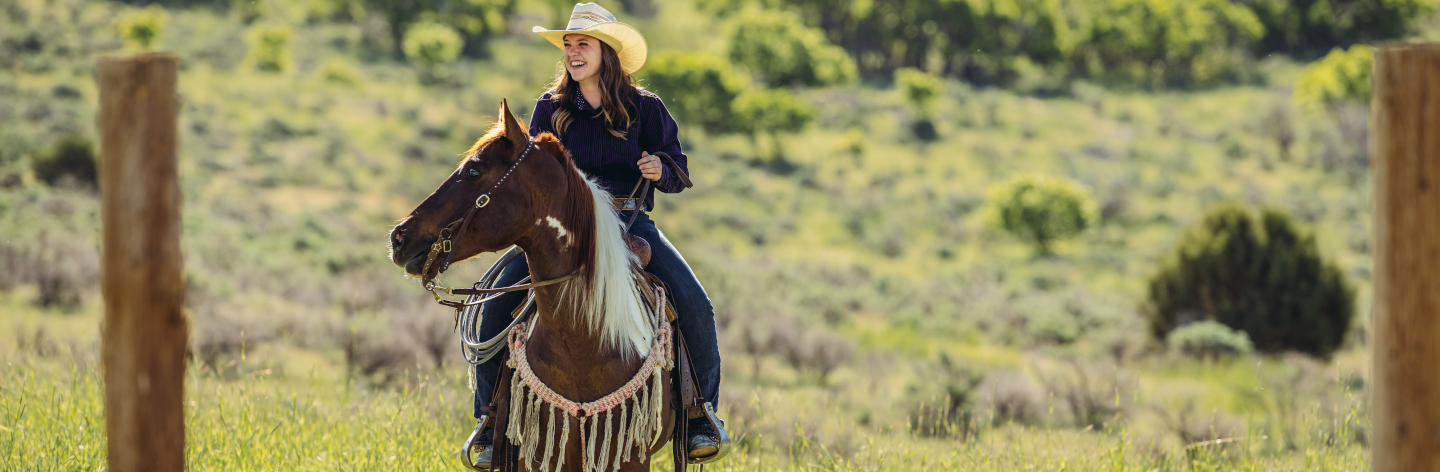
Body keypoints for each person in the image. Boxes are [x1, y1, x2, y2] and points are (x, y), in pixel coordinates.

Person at [466, 3, 726, 468]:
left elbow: (678, 169)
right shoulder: (550, 108)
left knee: (695, 303)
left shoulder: (646, 108)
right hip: (563, 229)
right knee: (492, 301)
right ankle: (487, 422)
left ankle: (700, 415)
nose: (573, 52)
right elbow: (534, 175)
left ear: (607, 51)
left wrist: (659, 168)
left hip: (629, 222)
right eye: (567, 45)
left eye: (582, 44)